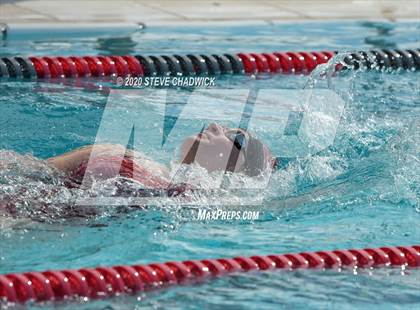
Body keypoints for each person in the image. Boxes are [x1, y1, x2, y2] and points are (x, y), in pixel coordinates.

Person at [47, 123, 276, 196]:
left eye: (236, 137)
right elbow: (33, 168)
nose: (214, 126)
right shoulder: (119, 152)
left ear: (242, 172)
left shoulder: (206, 201)